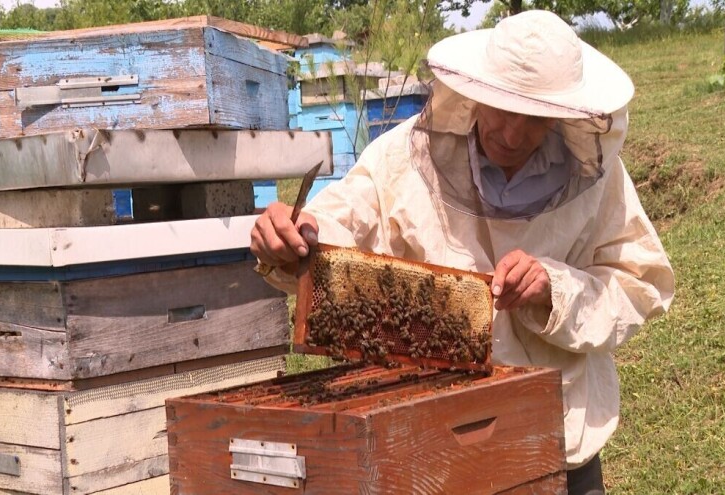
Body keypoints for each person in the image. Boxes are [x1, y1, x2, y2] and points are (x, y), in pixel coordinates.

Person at [251, 10, 674, 494]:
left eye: (534, 119)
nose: (513, 135)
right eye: (501, 109)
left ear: (563, 114)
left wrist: (555, 288)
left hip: (558, 437)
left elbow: (639, 284)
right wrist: (294, 238)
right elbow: (337, 222)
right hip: (428, 442)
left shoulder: (600, 180)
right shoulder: (400, 156)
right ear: (476, 91)